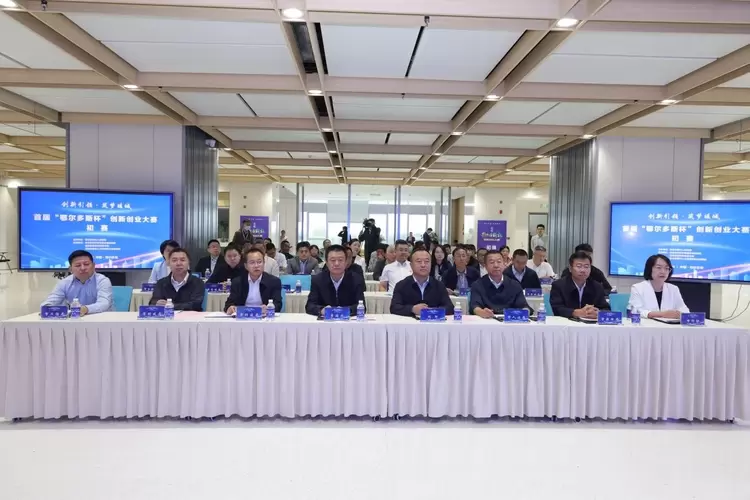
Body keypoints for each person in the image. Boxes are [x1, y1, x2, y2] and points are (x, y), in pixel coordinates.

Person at [41, 249, 112, 315]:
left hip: (102, 319)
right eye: (78, 265)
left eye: (86, 264)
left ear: (93, 266)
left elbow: (104, 303)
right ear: (70, 269)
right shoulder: (65, 283)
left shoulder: (103, 281)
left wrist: (85, 309)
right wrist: (48, 308)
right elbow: (49, 303)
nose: (83, 268)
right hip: (76, 320)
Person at [305, 244, 366, 317]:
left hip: (348, 320)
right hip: (325, 320)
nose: (337, 264)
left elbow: (362, 306)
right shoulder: (318, 280)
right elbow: (310, 305)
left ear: (346, 262)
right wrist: (321, 310)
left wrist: (345, 310)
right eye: (333, 260)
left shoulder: (356, 279)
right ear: (327, 263)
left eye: (340, 260)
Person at [390, 248, 454, 317]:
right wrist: (412, 309)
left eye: (426, 261)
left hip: (433, 322)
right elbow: (394, 307)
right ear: (411, 265)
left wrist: (432, 311)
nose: (423, 265)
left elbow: (450, 308)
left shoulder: (439, 285)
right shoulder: (402, 285)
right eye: (419, 261)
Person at [550, 250, 610, 319]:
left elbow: (606, 308)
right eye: (579, 266)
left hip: (590, 324)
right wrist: (575, 312)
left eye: (586, 267)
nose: (583, 270)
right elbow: (556, 308)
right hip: (566, 323)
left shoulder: (597, 287)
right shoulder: (558, 285)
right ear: (570, 268)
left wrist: (597, 312)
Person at [469, 250, 529, 318]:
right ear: (485, 266)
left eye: (499, 262)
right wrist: (482, 312)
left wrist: (525, 311)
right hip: (486, 321)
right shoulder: (477, 285)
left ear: (504, 264)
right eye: (492, 262)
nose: (496, 265)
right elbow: (475, 306)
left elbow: (523, 306)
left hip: (510, 321)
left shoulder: (515, 285)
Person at [224, 247, 283, 315]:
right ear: (246, 266)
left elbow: (278, 304)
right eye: (252, 263)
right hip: (243, 317)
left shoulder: (274, 281)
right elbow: (229, 304)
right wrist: (230, 307)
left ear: (264, 263)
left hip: (264, 317)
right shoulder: (237, 282)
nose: (256, 266)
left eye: (259, 262)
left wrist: (269, 308)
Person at [629, 254, 689, 319]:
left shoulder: (673, 289)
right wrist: (663, 314)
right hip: (646, 324)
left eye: (666, 268)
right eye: (658, 267)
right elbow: (636, 311)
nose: (663, 272)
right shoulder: (637, 288)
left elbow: (684, 310)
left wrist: (678, 314)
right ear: (650, 269)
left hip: (669, 325)